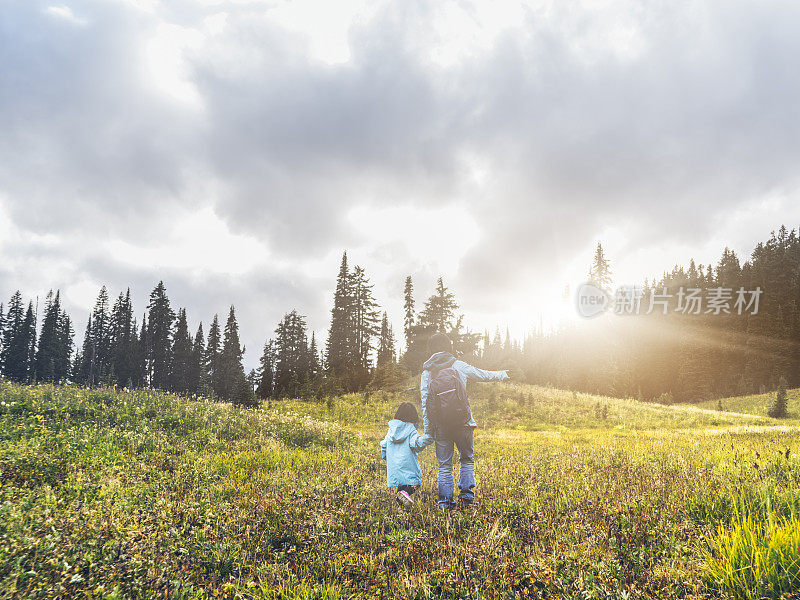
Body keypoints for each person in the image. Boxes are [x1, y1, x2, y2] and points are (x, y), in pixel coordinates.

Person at [421, 332, 509, 510]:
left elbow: (425, 403)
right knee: (467, 459)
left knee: (444, 465)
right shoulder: (458, 365)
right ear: (449, 346)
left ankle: (445, 504)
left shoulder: (427, 373)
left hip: (441, 427)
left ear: (431, 349)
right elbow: (482, 375)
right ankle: (467, 499)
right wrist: (503, 374)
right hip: (464, 423)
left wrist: (429, 431)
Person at [380, 402, 430, 508]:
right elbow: (417, 444)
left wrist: (387, 458)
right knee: (415, 483)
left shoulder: (391, 430)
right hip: (408, 464)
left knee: (401, 487)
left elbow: (384, 445)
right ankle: (402, 497)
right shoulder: (411, 430)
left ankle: (400, 509)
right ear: (414, 416)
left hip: (395, 467)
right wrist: (428, 437)